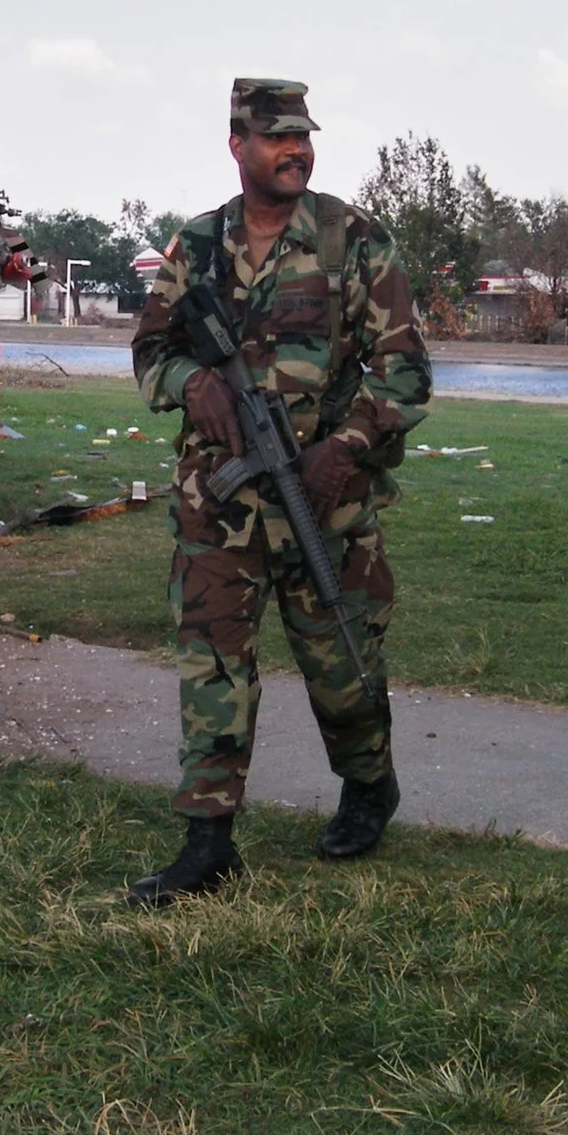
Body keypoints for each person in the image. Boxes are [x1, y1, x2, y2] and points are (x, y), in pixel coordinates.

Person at [124, 78, 432, 904]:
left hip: (323, 497)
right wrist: (195, 386)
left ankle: (370, 784)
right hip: (219, 503)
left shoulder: (352, 240)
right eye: (276, 137)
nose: (295, 148)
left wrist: (348, 446)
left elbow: (406, 373)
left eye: (303, 135)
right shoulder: (195, 245)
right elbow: (151, 349)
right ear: (238, 145)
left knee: (341, 655)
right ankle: (208, 840)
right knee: (212, 660)